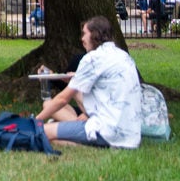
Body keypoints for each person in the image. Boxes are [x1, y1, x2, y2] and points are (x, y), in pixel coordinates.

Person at [35, 16, 142, 149]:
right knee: (52, 126)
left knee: (41, 133)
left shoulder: (92, 58)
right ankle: (91, 143)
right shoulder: (123, 56)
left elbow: (62, 99)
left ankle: (92, 146)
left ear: (94, 35)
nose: (82, 39)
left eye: (84, 34)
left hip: (105, 129)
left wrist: (35, 122)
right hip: (131, 136)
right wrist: (74, 79)